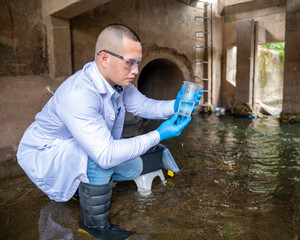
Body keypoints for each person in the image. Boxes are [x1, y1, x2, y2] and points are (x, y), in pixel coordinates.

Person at [17, 24, 202, 240]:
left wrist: (176, 105)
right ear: (105, 58)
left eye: (138, 63)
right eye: (129, 62)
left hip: (83, 147)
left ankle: (81, 188)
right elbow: (104, 154)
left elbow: (143, 106)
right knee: (100, 159)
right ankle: (94, 225)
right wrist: (159, 134)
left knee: (134, 166)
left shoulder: (117, 82)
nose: (135, 70)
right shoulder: (79, 94)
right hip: (46, 153)